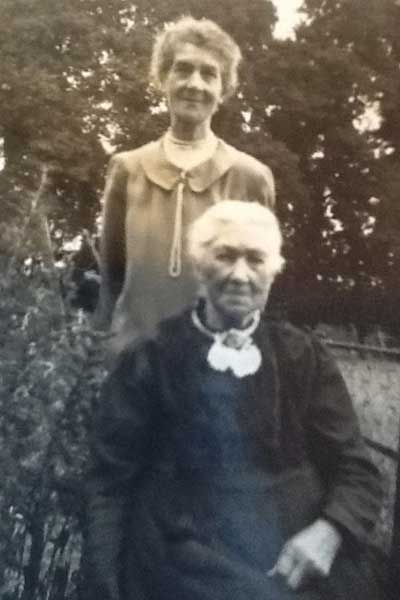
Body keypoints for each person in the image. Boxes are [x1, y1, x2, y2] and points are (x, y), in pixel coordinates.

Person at [86, 201, 383, 600]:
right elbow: (109, 482)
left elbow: (356, 468)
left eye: (255, 259)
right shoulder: (151, 358)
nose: (240, 275)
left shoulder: (303, 356)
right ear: (199, 266)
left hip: (291, 563)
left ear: (273, 271)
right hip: (180, 561)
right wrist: (106, 586)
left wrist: (329, 532)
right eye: (225, 256)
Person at [94, 17, 275, 354]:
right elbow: (111, 278)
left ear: (223, 89)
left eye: (209, 74)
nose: (195, 84)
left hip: (213, 364)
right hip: (132, 360)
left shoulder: (250, 177)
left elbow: (256, 286)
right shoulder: (127, 169)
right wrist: (97, 355)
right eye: (183, 69)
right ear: (163, 78)